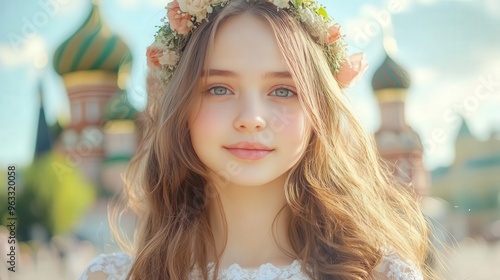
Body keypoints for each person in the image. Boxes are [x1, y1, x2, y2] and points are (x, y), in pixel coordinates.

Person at [78, 0, 439, 279]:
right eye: (219, 88)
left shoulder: (381, 275)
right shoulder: (111, 276)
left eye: (283, 90)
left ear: (319, 111)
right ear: (181, 106)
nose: (251, 118)